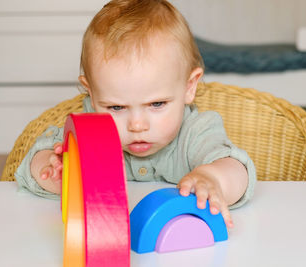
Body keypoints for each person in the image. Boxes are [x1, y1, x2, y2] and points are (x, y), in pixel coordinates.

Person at [15, 0, 256, 228]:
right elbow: (33, 162)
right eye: (116, 107)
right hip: (105, 238)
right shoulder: (89, 126)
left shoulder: (196, 131)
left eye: (157, 104)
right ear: (92, 93)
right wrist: (58, 173)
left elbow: (238, 171)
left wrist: (213, 178)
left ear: (189, 87)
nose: (137, 125)